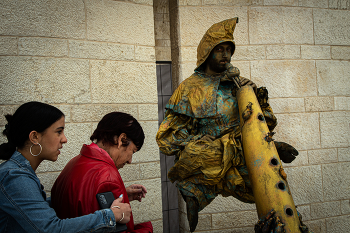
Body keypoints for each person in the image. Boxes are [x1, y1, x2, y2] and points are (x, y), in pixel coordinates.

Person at [156, 18, 299, 232]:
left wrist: (254, 95)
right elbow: (166, 138)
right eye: (219, 49)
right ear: (207, 52)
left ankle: (257, 152)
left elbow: (264, 123)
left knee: (267, 179)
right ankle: (195, 193)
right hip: (208, 150)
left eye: (229, 50)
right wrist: (193, 139)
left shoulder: (239, 84)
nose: (226, 55)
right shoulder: (188, 88)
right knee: (193, 154)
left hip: (245, 144)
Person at [0, 101, 131, 233]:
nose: (64, 139)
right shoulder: (15, 177)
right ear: (35, 137)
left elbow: (39, 210)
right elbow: (51, 229)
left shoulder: (19, 173)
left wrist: (104, 199)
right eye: (59, 132)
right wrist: (111, 216)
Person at [51, 112, 153, 233]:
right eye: (133, 151)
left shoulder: (74, 162)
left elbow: (85, 202)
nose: (130, 160)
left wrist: (121, 195)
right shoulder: (108, 176)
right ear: (121, 139)